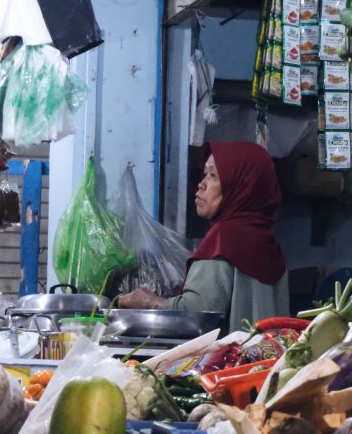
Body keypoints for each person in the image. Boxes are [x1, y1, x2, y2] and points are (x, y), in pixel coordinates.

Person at [119, 141, 290, 331]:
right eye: (205, 174)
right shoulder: (269, 244)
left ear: (240, 186)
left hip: (233, 360)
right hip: (269, 357)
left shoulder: (224, 239)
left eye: (213, 176)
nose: (201, 184)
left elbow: (197, 313)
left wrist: (150, 301)